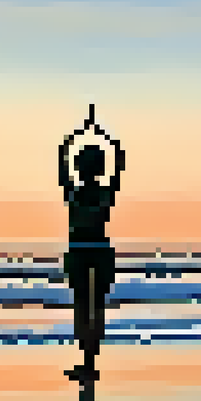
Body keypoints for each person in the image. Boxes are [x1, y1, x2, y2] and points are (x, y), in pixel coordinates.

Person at [60, 118, 122, 381]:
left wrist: (77, 136)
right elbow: (119, 163)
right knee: (91, 307)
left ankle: (88, 361)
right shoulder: (101, 192)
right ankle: (88, 360)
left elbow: (61, 163)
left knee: (86, 306)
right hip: (90, 252)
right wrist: (103, 136)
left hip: (88, 252)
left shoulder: (80, 192)